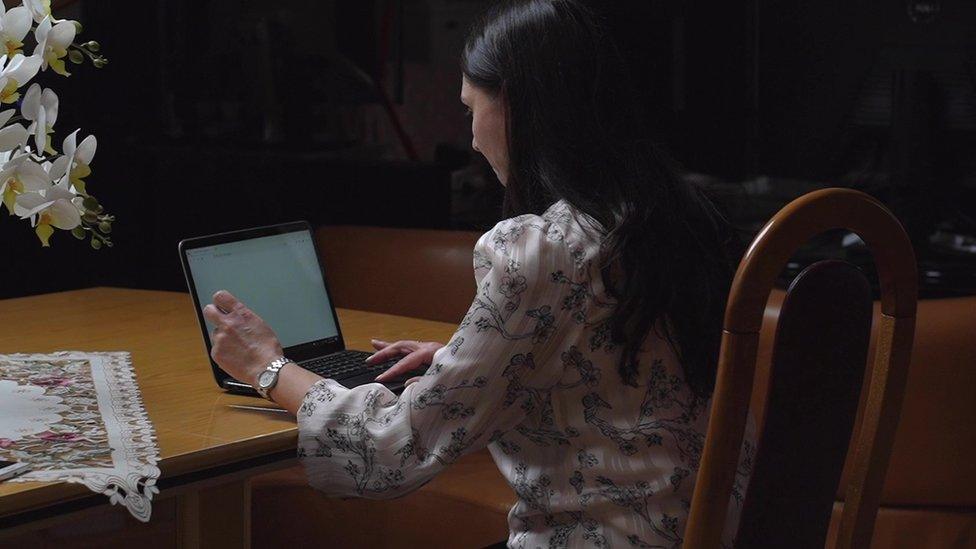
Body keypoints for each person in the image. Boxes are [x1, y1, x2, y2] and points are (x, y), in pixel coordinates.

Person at [203, 0, 754, 546]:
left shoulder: (544, 247)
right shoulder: (677, 216)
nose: (470, 137)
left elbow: (393, 449)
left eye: (471, 109)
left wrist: (267, 365)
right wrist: (469, 359)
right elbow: (619, 369)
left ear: (514, 105)